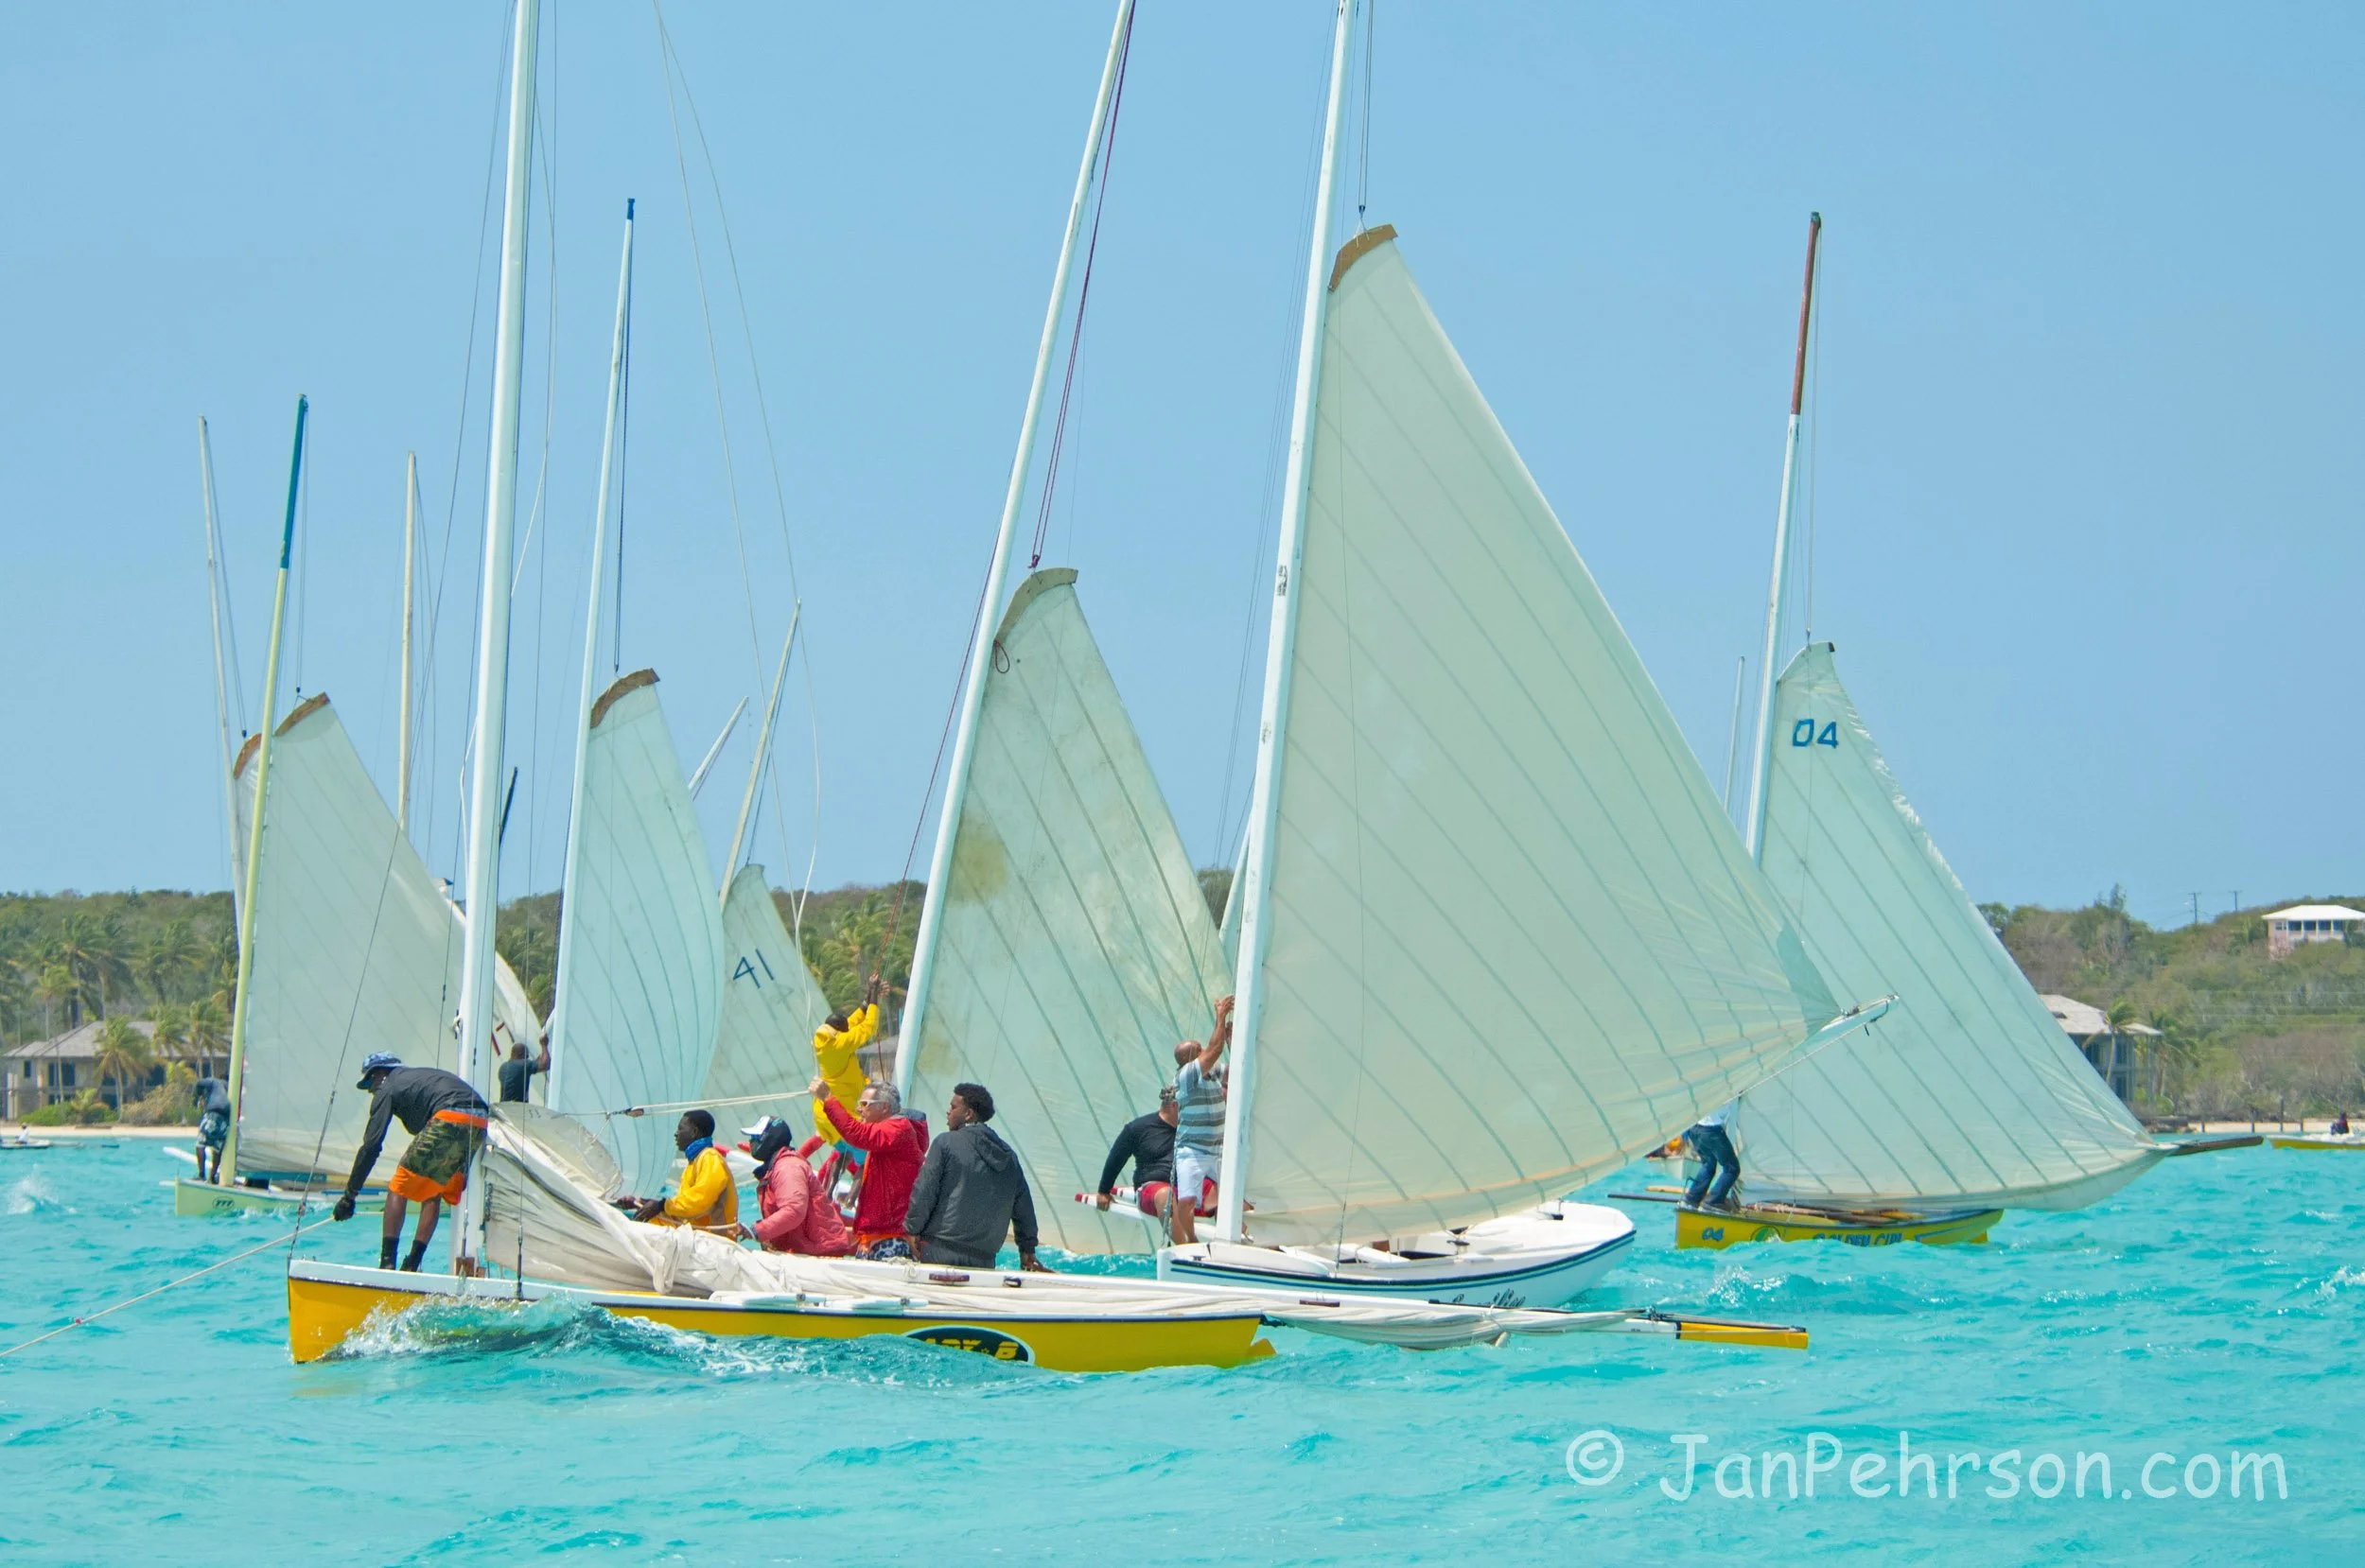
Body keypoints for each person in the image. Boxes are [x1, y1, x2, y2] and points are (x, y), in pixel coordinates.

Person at [332, 1053, 490, 1272]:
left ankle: (387, 1264)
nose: (370, 1090)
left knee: (398, 1187)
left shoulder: (387, 1087)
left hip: (450, 1114)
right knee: (432, 1191)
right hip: (480, 1120)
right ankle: (413, 1264)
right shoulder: (415, 1080)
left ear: (380, 1074)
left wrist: (349, 1196)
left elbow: (371, 1146)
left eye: (369, 1081)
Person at [904, 1082, 1045, 1271]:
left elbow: (924, 1191)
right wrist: (1027, 1249)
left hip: (940, 1250)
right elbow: (1024, 1208)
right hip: (985, 1259)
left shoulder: (945, 1143)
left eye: (953, 1107)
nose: (948, 1112)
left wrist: (912, 1229)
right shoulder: (1009, 1156)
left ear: (968, 1114)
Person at [810, 1074, 928, 1259]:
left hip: (890, 1239)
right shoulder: (890, 1134)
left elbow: (855, 1134)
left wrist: (828, 1098)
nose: (859, 1109)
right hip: (877, 1237)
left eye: (865, 1104)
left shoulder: (897, 1129)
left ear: (884, 1107)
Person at [1169, 995, 1235, 1246]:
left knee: (1237, 1196)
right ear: (1192, 1058)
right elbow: (1214, 1049)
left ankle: (1237, 1238)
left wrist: (1230, 1040)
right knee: (1186, 1200)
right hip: (1193, 1151)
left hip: (1218, 1149)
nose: (1206, 1052)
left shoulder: (1211, 1073)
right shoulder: (1186, 1075)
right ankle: (1192, 1240)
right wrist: (1220, 1016)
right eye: (1200, 1050)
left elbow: (1234, 1068)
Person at [741, 1116, 850, 1256]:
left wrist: (755, 1231)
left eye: (755, 1137)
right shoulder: (777, 1166)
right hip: (808, 1251)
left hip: (819, 1252)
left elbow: (793, 1211)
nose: (751, 1142)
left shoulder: (787, 1167)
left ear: (768, 1139)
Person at [625, 1110, 740, 1234]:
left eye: (680, 1129)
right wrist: (640, 1204)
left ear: (694, 1132)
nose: (676, 1134)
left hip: (715, 1242)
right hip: (697, 1238)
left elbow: (700, 1200)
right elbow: (683, 1209)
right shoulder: (693, 1163)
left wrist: (661, 1206)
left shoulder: (710, 1158)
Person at [811, 979, 882, 1160]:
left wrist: (868, 999)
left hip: (824, 1115)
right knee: (867, 1158)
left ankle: (831, 1187)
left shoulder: (828, 1039)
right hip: (841, 1115)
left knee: (843, 1156)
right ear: (840, 1031)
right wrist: (874, 999)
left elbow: (850, 1022)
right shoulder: (840, 1044)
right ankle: (858, 1190)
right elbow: (868, 1028)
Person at [1095, 1085, 1179, 1225]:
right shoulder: (1138, 1128)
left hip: (1181, 1189)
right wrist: (1104, 1191)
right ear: (1175, 1106)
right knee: (1166, 1196)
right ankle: (1185, 1244)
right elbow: (1116, 1157)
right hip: (1150, 1189)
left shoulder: (1191, 1130)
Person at [1682, 1102, 1742, 1211]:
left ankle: (1691, 1200)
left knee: (1708, 1166)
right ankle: (1714, 1201)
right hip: (1711, 1130)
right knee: (1732, 1168)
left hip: (1695, 1128)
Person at [191, 1074, 233, 1183]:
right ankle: (212, 1177)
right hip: (225, 1119)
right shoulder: (230, 1086)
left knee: (200, 1144)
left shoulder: (214, 1081)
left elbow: (200, 1083)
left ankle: (201, 1175)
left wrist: (199, 1095)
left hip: (213, 1114)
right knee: (217, 1149)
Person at [497, 1027, 551, 1104]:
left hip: (504, 1108)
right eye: (527, 1056)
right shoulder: (524, 1065)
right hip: (517, 1110)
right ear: (521, 1055)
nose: (527, 1059)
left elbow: (519, 1071)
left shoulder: (503, 1067)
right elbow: (546, 1065)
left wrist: (535, 1061)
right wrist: (544, 1045)